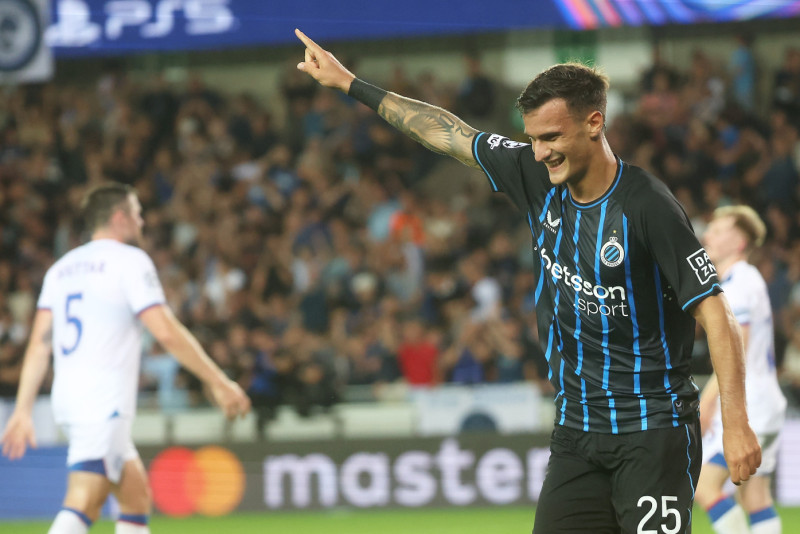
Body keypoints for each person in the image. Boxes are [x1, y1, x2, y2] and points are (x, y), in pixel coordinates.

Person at [293, 29, 761, 532]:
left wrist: (735, 423)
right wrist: (350, 83)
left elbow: (717, 314)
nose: (539, 152)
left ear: (594, 123)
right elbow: (448, 132)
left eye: (551, 137)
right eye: (533, 139)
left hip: (652, 432)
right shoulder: (535, 176)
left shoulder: (648, 206)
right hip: (577, 432)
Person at [1, 184, 251, 534]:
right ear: (119, 218)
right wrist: (218, 381)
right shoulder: (129, 261)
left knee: (135, 497)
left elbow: (40, 345)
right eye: (137, 213)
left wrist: (23, 409)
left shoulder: (60, 269)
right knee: (84, 501)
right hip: (103, 403)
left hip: (70, 400)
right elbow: (165, 331)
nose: (142, 221)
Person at [697, 206, 786, 534]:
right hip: (766, 404)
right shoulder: (748, 280)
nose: (708, 235)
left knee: (704, 485)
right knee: (755, 498)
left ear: (739, 243)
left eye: (719, 230)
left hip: (751, 407)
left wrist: (707, 403)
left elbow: (736, 352)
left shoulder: (738, 285)